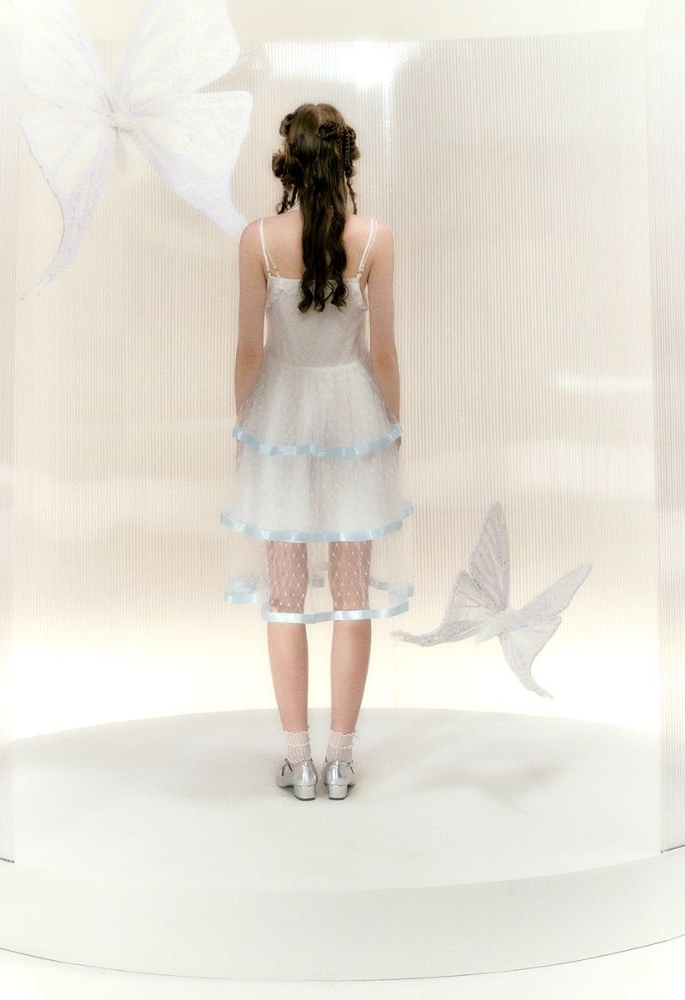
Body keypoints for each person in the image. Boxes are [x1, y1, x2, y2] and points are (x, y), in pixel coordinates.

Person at [220, 103, 414, 801]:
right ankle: (340, 761)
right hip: (353, 416)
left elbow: (250, 350)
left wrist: (246, 427)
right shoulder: (375, 238)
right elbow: (384, 352)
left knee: (286, 595)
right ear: (345, 160)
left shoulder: (258, 239)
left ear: (290, 164)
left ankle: (298, 760)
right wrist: (392, 425)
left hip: (280, 416)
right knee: (353, 594)